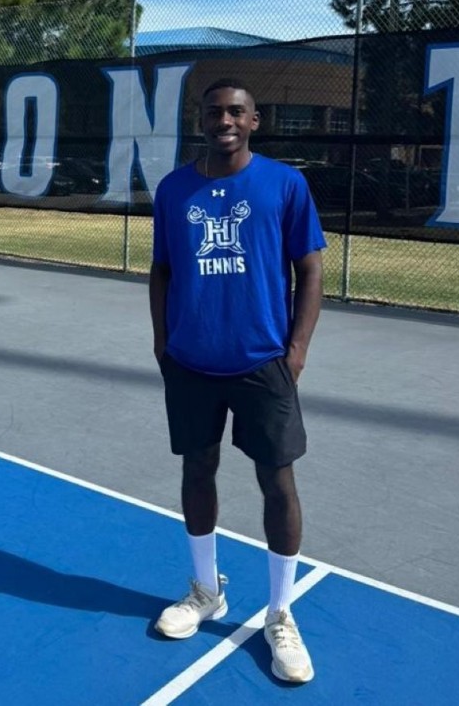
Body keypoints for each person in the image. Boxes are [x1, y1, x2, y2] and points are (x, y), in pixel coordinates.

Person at [149, 78, 325, 684]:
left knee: (277, 483)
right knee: (196, 470)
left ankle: (280, 613)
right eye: (213, 111)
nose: (224, 120)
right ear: (200, 120)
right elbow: (162, 270)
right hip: (192, 363)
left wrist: (296, 351)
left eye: (235, 112)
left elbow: (309, 268)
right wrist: (162, 343)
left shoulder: (285, 184)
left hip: (262, 365)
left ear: (254, 121)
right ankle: (205, 591)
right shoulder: (174, 189)